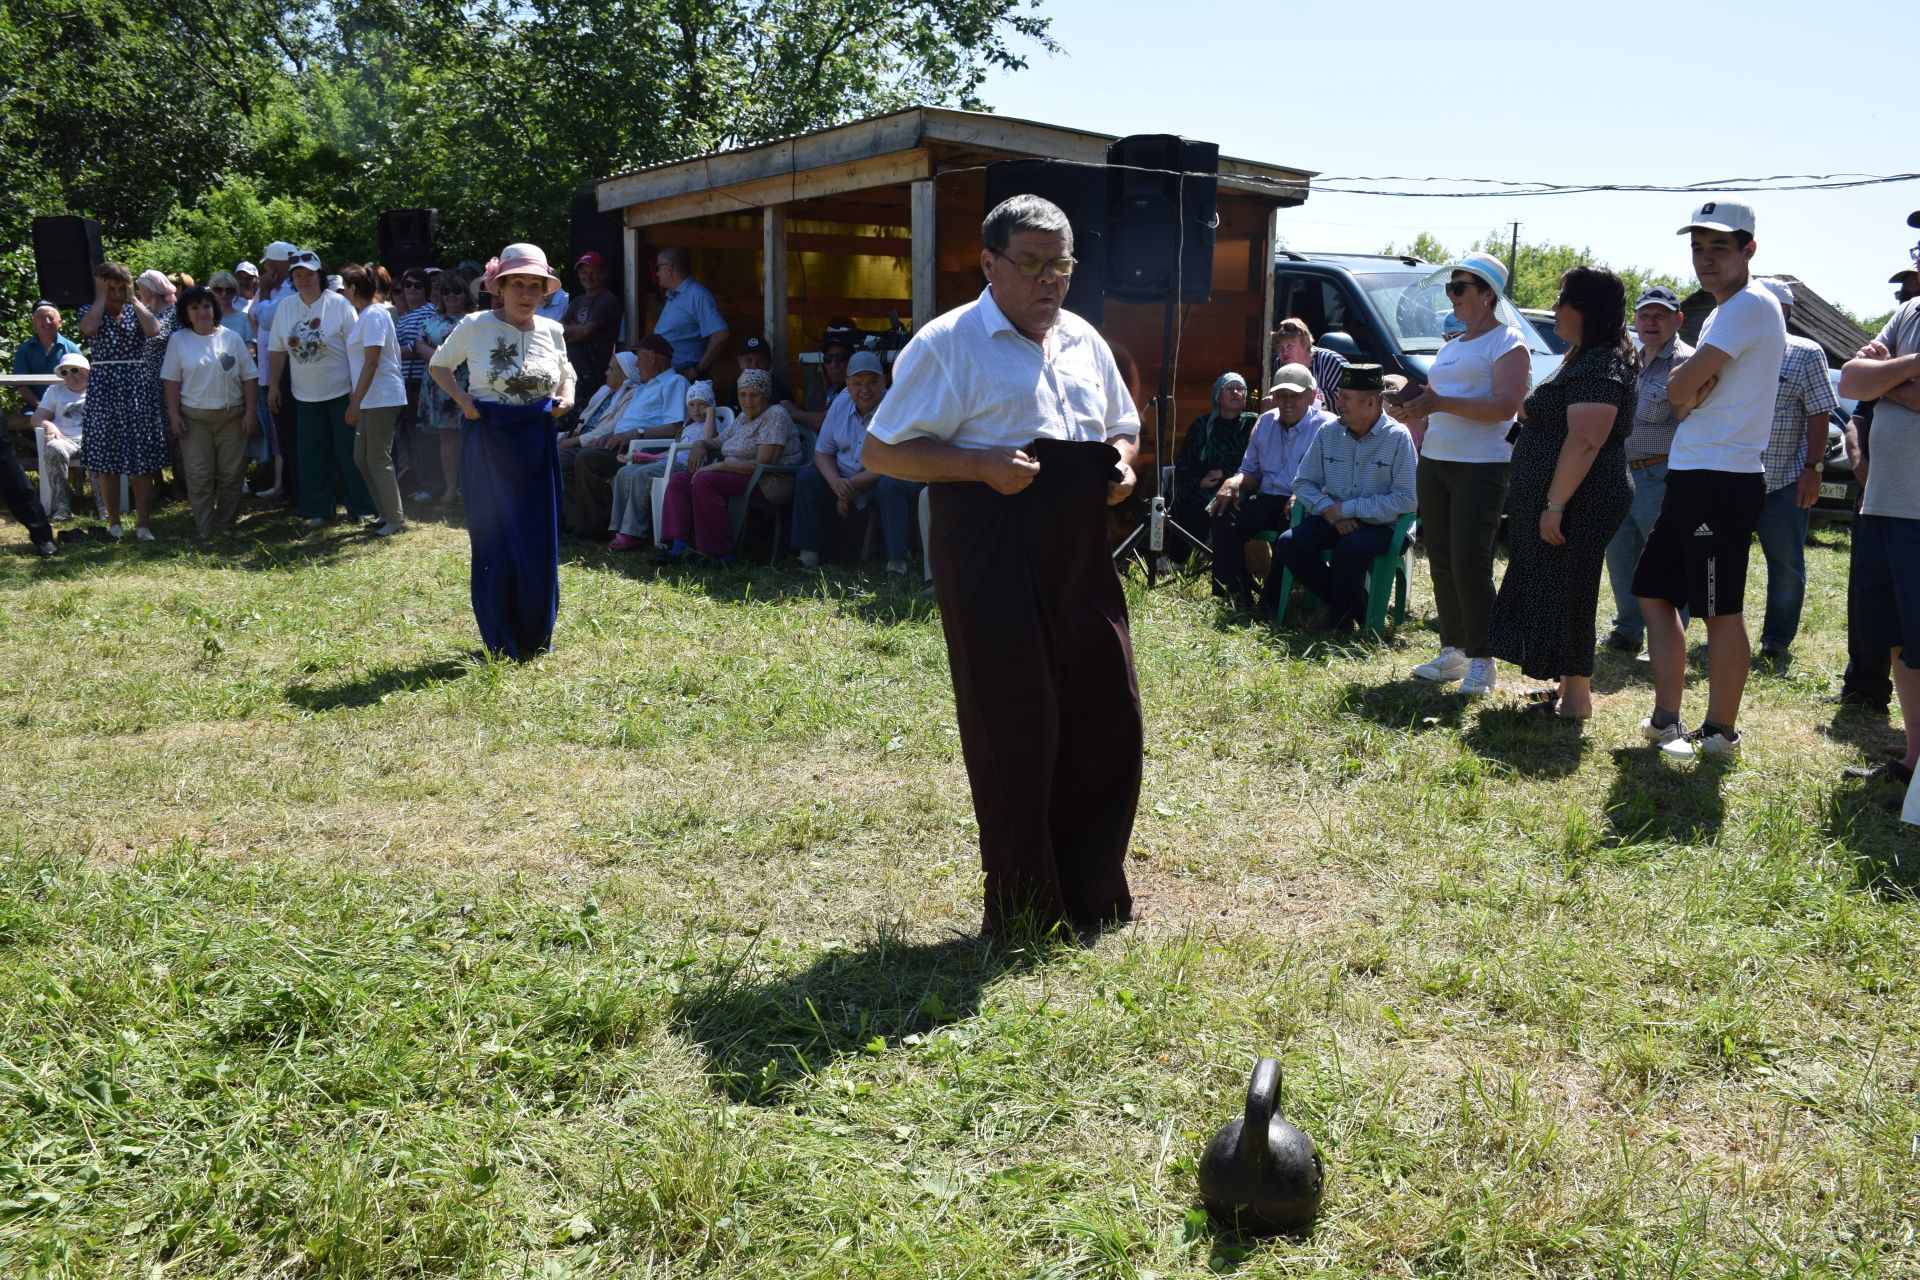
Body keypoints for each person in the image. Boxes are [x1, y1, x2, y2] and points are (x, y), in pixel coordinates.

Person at [863, 193, 1143, 936]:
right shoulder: (947, 343)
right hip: (988, 535)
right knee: (1018, 726)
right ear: (990, 264)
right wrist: (977, 464)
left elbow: (1123, 429)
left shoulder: (1084, 339)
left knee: (1104, 713)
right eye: (1032, 264)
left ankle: (1091, 891)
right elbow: (881, 450)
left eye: (1062, 265)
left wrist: (1122, 465)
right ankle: (1026, 907)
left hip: (1078, 541)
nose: (1050, 280)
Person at [1632, 200, 1786, 759]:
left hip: (1721, 479)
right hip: (1693, 474)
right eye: (1698, 247)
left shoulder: (1749, 305)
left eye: (1719, 247)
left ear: (1749, 250)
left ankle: (1720, 732)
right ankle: (1666, 720)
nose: (1705, 259)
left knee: (1719, 610)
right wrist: (1686, 390)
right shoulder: (1726, 311)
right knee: (1653, 590)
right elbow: (1680, 392)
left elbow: (1676, 391)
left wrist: (1685, 390)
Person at [1486, 268, 1638, 719]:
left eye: (1561, 299)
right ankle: (1566, 686)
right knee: (1556, 586)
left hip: (1582, 498)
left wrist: (1555, 505)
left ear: (1585, 308)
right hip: (1566, 496)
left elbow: (1588, 437)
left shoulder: (1602, 362)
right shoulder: (1585, 356)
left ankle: (1577, 701)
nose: (1554, 307)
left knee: (1572, 589)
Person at [428, 244, 576, 660]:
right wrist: (464, 401)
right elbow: (439, 366)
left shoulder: (553, 330)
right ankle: (501, 637)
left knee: (537, 537)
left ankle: (536, 635)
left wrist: (566, 398)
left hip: (535, 438)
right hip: (489, 437)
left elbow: (568, 375)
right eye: (518, 284)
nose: (527, 293)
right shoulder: (475, 324)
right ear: (500, 287)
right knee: (495, 540)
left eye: (535, 285)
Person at [1393, 251, 1531, 696]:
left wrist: (1437, 404)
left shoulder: (1508, 342)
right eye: (1449, 288)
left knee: (1471, 560)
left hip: (1482, 466)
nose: (1451, 296)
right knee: (1443, 559)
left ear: (1488, 294)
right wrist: (1409, 409)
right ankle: (1454, 648)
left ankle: (1484, 658)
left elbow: (1505, 407)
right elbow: (1434, 404)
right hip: (1436, 462)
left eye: (1459, 288)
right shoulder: (1452, 346)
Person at [1836, 213, 1920, 787]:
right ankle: (1913, 762)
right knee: (1895, 639)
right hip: (1884, 503)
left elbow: (1871, 379)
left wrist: (1883, 374)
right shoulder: (1910, 311)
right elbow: (1850, 380)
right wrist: (1908, 370)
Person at [1273, 364, 1418, 630]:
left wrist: (1349, 509)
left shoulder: (1398, 438)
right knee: (1288, 544)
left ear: (1371, 403)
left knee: (1349, 550)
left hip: (1384, 526)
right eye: (1339, 396)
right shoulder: (1329, 432)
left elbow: (1405, 501)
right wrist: (1331, 510)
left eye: (1345, 397)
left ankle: (1339, 626)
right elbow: (1303, 482)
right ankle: (1360, 607)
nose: (1338, 403)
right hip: (1335, 515)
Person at [1601, 286, 1694, 654]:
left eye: (1660, 315)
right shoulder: (1627, 359)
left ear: (1678, 319)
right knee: (1620, 554)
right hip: (1618, 471)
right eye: (1644, 315)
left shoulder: (1688, 362)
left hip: (1661, 474)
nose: (1650, 322)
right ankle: (1627, 630)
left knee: (1666, 558)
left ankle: (1672, 637)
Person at [1751, 277, 1839, 660]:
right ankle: (1724, 633)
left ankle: (1776, 639)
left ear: (1784, 312)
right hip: (1736, 477)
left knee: (1786, 564)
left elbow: (1820, 413)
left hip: (1785, 479)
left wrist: (1813, 469)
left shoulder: (1806, 352)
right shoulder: (1737, 349)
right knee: (1725, 560)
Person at [1207, 362, 1336, 609]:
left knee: (1291, 524)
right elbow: (1251, 473)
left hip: (1305, 503)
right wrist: (1233, 481)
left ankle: (1272, 602)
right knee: (1222, 514)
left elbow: (1335, 478)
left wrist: (1306, 494)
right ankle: (1236, 595)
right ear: (1273, 396)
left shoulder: (1327, 426)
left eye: (1295, 396)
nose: (1287, 402)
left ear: (1310, 395)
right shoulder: (1266, 422)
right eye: (1282, 395)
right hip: (1269, 497)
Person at [268, 249, 376, 529]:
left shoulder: (338, 304)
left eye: (309, 274)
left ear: (320, 275)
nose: (304, 279)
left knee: (349, 453)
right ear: (292, 279)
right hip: (304, 394)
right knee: (311, 455)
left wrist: (356, 389)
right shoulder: (286, 307)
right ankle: (317, 509)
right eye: (298, 275)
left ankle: (362, 507)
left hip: (341, 391)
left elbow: (356, 349)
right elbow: (277, 350)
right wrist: (273, 387)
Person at [792, 350, 922, 572]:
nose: (864, 389)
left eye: (872, 382)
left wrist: (852, 484)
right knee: (807, 478)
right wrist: (836, 483)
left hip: (885, 474)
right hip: (844, 476)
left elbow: (894, 461)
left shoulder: (896, 407)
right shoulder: (839, 404)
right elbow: (822, 452)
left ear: (884, 381)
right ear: (847, 384)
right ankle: (808, 555)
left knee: (890, 484)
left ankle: (897, 560)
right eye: (857, 383)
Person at [657, 366, 799, 563]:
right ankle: (678, 546)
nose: (747, 401)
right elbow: (718, 441)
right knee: (680, 480)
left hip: (767, 481)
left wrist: (716, 466)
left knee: (706, 480)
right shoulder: (743, 417)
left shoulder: (776, 415)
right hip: (736, 476)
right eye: (743, 395)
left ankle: (718, 554)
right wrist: (700, 444)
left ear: (765, 395)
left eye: (754, 395)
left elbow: (762, 463)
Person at [76, 262, 170, 539]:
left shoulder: (136, 309)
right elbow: (88, 329)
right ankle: (114, 523)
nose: (117, 292)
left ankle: (143, 524)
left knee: (141, 461)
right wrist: (101, 297)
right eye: (111, 287)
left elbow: (154, 330)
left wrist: (132, 298)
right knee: (108, 461)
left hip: (136, 388)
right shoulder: (88, 309)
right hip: (104, 388)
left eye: (121, 287)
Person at [160, 285, 260, 538]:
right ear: (186, 312)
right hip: (194, 420)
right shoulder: (178, 340)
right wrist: (174, 415)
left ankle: (227, 525)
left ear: (214, 309)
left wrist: (250, 413)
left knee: (231, 475)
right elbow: (171, 381)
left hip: (232, 418)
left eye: (206, 306)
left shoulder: (232, 338)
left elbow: (249, 377)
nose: (202, 312)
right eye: (194, 307)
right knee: (199, 476)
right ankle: (204, 528)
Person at [561, 335, 687, 534]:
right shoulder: (644, 387)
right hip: (619, 444)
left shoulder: (675, 382)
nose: (636, 365)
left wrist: (637, 433)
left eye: (639, 357)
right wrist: (608, 435)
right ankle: (571, 524)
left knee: (587, 459)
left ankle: (592, 530)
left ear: (652, 357)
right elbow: (623, 423)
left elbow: (676, 427)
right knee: (560, 460)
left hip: (644, 449)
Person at [341, 264, 409, 536]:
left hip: (381, 396)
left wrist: (354, 401)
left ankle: (395, 518)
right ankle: (385, 512)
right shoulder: (366, 315)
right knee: (362, 457)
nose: (343, 292)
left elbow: (372, 363)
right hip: (370, 398)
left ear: (353, 288)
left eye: (345, 287)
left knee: (377, 457)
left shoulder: (374, 315)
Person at [608, 379, 712, 551]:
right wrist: (646, 457)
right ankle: (619, 528)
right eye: (692, 405)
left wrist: (712, 413)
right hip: (669, 461)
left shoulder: (711, 425)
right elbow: (671, 451)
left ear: (710, 405)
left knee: (643, 474)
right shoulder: (687, 427)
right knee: (625, 472)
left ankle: (633, 532)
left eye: (702, 405)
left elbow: (708, 441)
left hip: (684, 466)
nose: (697, 409)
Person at [1171, 372, 1257, 562]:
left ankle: (1210, 557)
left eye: (1240, 388)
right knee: (1186, 498)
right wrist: (1199, 482)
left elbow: (1257, 462)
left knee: (1218, 505)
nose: (1236, 392)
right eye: (1230, 388)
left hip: (1239, 488)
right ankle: (1180, 559)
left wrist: (1224, 474)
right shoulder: (1201, 427)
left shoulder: (1253, 424)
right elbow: (1184, 465)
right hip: (1201, 486)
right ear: (1217, 396)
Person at [413, 272, 475, 505]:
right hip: (439, 388)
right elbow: (420, 347)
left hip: (468, 384)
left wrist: (446, 359)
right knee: (447, 439)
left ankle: (471, 488)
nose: (451, 295)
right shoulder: (430, 322)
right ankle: (450, 489)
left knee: (471, 437)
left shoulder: (475, 321)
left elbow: (475, 350)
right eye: (446, 291)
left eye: (456, 291)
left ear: (465, 294)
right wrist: (444, 359)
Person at [249, 242, 296, 501]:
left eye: (269, 263)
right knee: (280, 434)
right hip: (269, 370)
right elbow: (253, 316)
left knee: (289, 432)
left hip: (285, 373)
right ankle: (285, 487)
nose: (266, 268)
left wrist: (264, 291)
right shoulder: (275, 289)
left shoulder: (288, 290)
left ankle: (292, 489)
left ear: (279, 264)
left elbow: (265, 317)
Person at [392, 268, 439, 502]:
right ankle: (420, 482)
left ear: (426, 289)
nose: (411, 289)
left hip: (421, 382)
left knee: (423, 435)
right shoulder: (406, 315)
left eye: (417, 285)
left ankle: (430, 485)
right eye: (407, 285)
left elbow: (424, 343)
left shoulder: (428, 311)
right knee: (410, 435)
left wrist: (395, 352)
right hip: (406, 381)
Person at [651, 246, 728, 378]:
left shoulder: (697, 294)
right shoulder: (672, 296)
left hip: (687, 379)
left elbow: (721, 334)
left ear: (669, 268)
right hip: (669, 377)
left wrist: (697, 370)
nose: (657, 273)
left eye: (658, 267)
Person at [29, 352, 90, 520]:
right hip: (64, 439)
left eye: (74, 370)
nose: (70, 376)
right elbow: (36, 418)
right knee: (53, 448)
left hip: (92, 439)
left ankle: (104, 506)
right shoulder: (55, 391)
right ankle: (62, 506)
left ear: (86, 370)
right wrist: (49, 425)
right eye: (65, 372)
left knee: (98, 448)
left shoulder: (98, 389)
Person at [562, 250, 621, 404]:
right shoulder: (577, 301)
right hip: (574, 371)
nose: (587, 277)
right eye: (584, 272)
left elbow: (586, 332)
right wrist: (575, 331)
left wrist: (572, 331)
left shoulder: (607, 300)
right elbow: (558, 329)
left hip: (594, 373)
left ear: (603, 273)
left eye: (592, 272)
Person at [11, 302, 79, 413]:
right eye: (42, 318)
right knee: (29, 419)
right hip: (35, 406)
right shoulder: (24, 349)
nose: (47, 322)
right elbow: (21, 385)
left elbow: (82, 378)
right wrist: (42, 407)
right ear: (34, 323)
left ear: (60, 323)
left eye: (51, 318)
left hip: (68, 404)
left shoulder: (71, 348)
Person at [1271, 317, 1348, 409]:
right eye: (1280, 347)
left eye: (1290, 346)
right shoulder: (1279, 365)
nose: (1284, 352)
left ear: (1305, 344)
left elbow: (1353, 402)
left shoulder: (1331, 362)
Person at [790, 333, 853, 429]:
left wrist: (792, 412)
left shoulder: (853, 391)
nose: (834, 365)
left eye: (840, 358)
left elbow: (821, 422)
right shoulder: (831, 391)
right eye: (828, 359)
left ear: (851, 361)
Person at [730, 336, 802, 418]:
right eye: (748, 360)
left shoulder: (779, 389)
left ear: (769, 363)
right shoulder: (735, 387)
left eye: (760, 361)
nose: (754, 366)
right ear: (740, 362)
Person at [206, 272, 255, 347]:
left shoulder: (245, 318)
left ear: (235, 292)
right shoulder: (204, 318)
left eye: (229, 290)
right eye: (218, 290)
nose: (224, 293)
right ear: (211, 292)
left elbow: (250, 350)